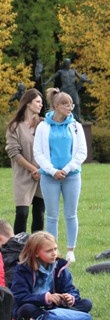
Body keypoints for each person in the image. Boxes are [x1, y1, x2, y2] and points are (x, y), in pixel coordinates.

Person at [33, 88, 87, 263]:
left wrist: (67, 169)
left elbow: (81, 152)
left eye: (71, 104)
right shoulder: (43, 126)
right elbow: (38, 153)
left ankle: (71, 250)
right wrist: (52, 171)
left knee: (71, 214)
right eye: (65, 104)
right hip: (49, 177)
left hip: (71, 176)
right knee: (52, 215)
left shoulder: (76, 126)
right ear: (56, 106)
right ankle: (51, 249)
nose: (70, 107)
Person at [11, 232, 92, 320]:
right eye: (49, 251)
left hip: (56, 306)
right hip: (34, 306)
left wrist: (70, 297)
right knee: (26, 309)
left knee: (86, 303)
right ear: (36, 253)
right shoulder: (23, 270)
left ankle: (44, 319)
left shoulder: (60, 267)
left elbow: (70, 289)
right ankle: (53, 318)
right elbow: (19, 297)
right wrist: (46, 298)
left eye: (55, 249)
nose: (54, 253)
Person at [5, 88, 45, 235]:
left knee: (39, 213)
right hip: (23, 175)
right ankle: (17, 248)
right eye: (38, 102)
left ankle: (37, 247)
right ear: (28, 103)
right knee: (22, 213)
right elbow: (13, 152)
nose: (41, 105)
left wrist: (41, 170)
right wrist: (33, 169)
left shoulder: (44, 124)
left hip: (42, 175)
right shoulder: (14, 126)